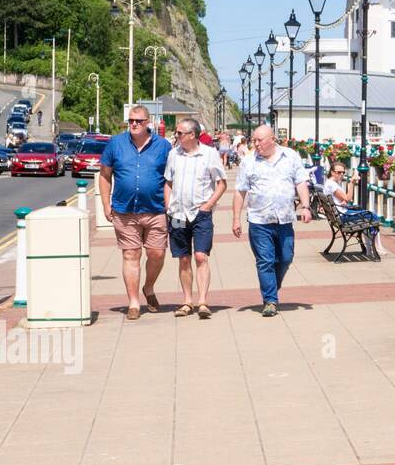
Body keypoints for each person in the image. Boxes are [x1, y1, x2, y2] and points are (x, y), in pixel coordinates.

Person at [99, 104, 172, 320]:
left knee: (157, 253)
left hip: (156, 209)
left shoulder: (163, 146)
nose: (133, 124)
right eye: (130, 120)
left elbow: (172, 178)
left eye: (138, 121)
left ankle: (148, 287)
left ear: (148, 122)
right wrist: (105, 204)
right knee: (131, 254)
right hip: (125, 210)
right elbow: (105, 175)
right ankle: (133, 302)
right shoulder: (116, 144)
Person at [232, 124, 312, 317]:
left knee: (285, 258)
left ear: (272, 139)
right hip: (259, 220)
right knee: (265, 261)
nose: (256, 144)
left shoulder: (290, 156)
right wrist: (236, 218)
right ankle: (270, 300)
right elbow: (240, 190)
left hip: (285, 219)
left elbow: (300, 182)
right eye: (254, 140)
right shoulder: (249, 162)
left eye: (259, 140)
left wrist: (306, 206)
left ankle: (272, 288)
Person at [164, 118, 226, 319]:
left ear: (192, 135)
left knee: (201, 256)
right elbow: (168, 182)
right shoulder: (174, 154)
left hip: (201, 214)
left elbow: (221, 183)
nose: (176, 136)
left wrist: (208, 205)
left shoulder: (209, 154)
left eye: (180, 133)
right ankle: (187, 301)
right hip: (177, 213)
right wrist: (168, 207)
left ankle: (203, 302)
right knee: (183, 258)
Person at [321, 161, 382, 256]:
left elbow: (343, 199)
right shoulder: (332, 184)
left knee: (368, 215)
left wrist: (344, 200)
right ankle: (376, 247)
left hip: (338, 215)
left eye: (343, 172)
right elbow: (348, 198)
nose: (341, 174)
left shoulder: (330, 183)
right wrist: (352, 183)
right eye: (338, 172)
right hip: (343, 217)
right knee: (372, 216)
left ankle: (371, 248)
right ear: (332, 172)